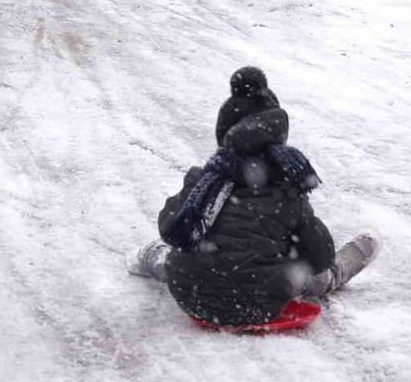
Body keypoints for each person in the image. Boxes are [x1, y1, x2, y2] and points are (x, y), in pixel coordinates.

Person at [127, 66, 381, 328]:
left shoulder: (204, 181)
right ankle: (347, 265)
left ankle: (151, 256)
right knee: (314, 277)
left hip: (192, 296)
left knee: (182, 258)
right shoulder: (286, 192)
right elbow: (321, 256)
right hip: (260, 303)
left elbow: (169, 226)